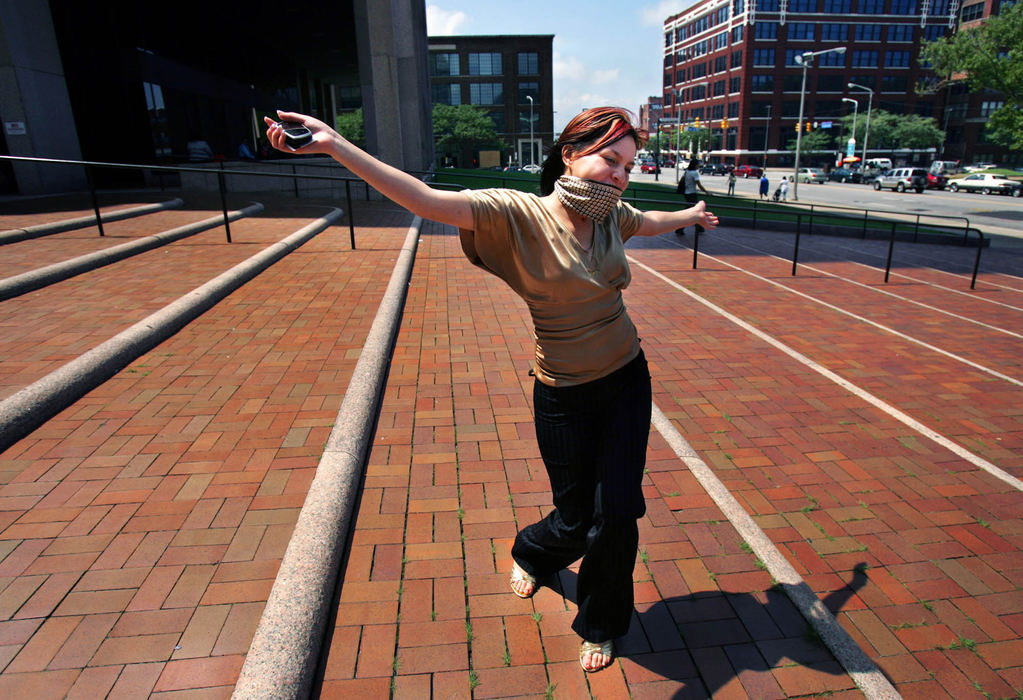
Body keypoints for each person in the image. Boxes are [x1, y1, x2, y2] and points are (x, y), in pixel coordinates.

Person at [265, 107, 718, 674]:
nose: (619, 176)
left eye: (628, 167)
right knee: (576, 517)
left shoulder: (610, 218)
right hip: (562, 392)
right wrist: (336, 145)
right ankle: (532, 550)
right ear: (571, 154)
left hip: (627, 377)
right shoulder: (515, 213)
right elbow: (424, 199)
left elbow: (647, 221)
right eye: (610, 159)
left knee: (617, 512)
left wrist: (690, 213)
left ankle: (602, 622)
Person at [675, 158, 709, 235]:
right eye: (698, 164)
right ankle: (682, 228)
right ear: (695, 165)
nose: (699, 166)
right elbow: (699, 184)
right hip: (692, 194)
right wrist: (706, 192)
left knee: (692, 212)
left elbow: (683, 180)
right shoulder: (694, 173)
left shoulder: (687, 172)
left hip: (687, 194)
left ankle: (698, 227)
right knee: (695, 212)